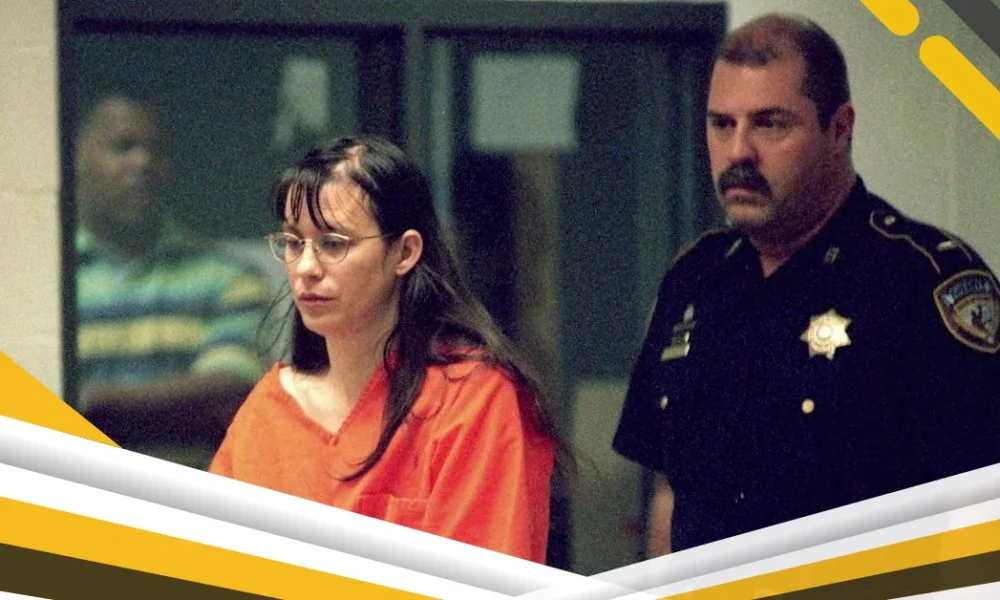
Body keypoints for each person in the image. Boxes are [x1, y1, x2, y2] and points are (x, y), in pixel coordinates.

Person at [613, 13, 1000, 556]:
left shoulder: (920, 281)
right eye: (721, 124)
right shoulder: (694, 280)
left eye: (770, 124)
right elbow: (669, 492)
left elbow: (982, 511)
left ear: (839, 128)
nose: (738, 151)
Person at [208, 136, 561, 563]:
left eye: (333, 243)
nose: (306, 268)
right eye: (294, 242)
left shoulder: (474, 399)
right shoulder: (267, 409)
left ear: (405, 252)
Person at [75, 91, 273, 469]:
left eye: (157, 151)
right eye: (123, 146)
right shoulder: (40, 286)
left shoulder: (231, 281)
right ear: (76, 157)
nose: (143, 162)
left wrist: (80, 402)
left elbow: (227, 394)